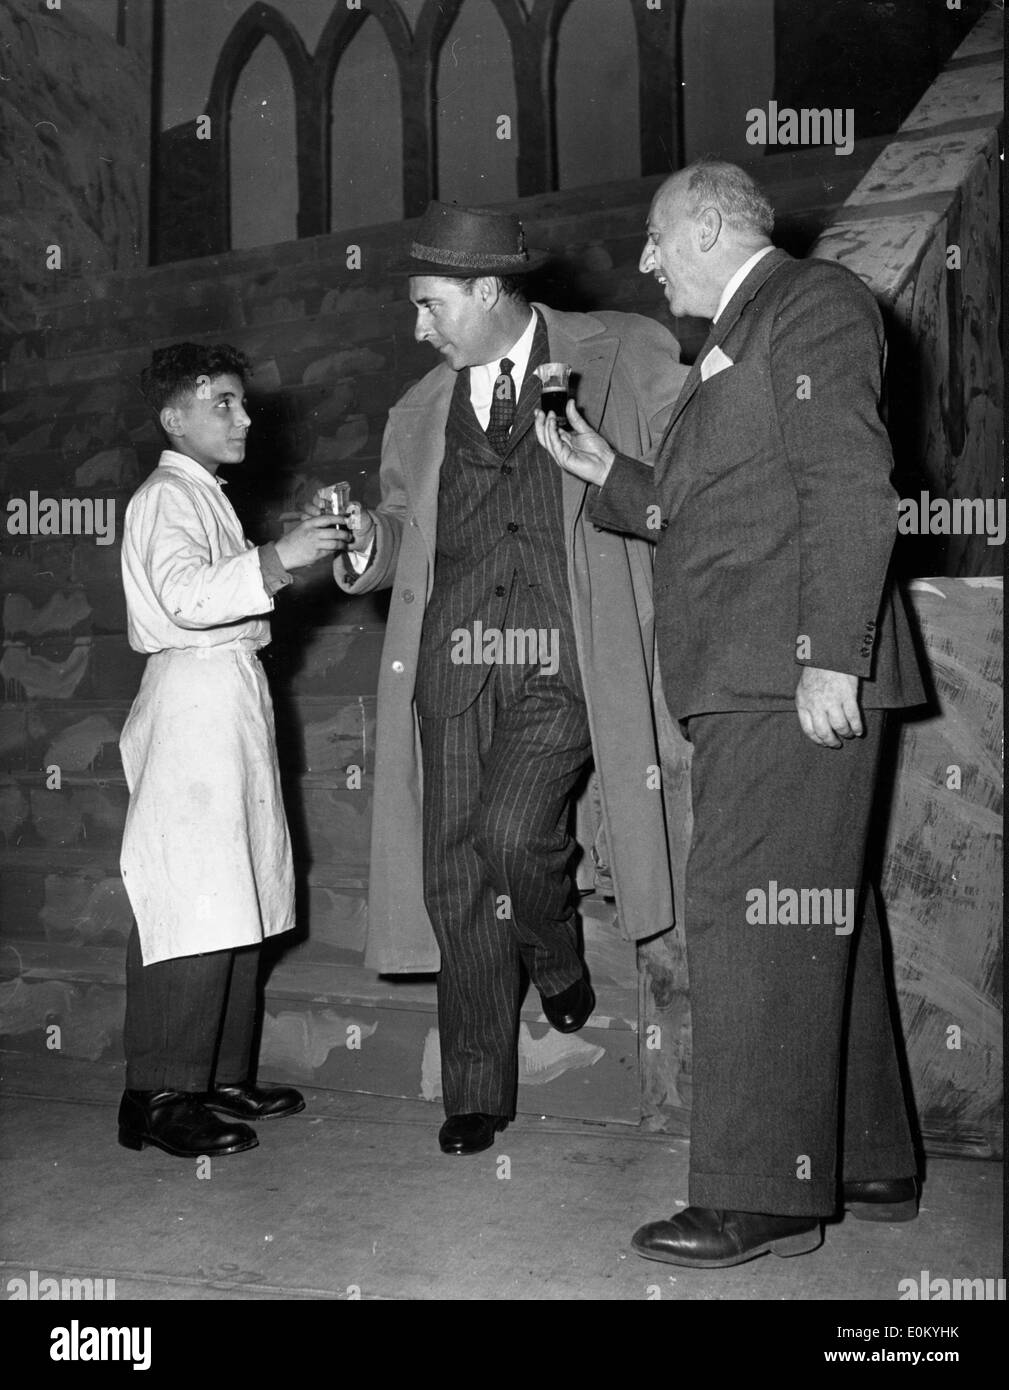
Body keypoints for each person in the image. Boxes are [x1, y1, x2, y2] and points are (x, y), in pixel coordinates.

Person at [536, 159, 925, 1266]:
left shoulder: (810, 304)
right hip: (760, 666)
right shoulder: (743, 337)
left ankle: (761, 1191)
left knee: (747, 906)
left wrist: (829, 658)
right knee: (811, 905)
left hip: (786, 670)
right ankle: (864, 1155)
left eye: (659, 239)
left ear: (708, 225)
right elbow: (711, 505)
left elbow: (851, 480)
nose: (648, 263)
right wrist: (608, 470)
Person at [315, 202, 687, 1155]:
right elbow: (408, 534)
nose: (416, 327)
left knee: (512, 831)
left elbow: (688, 478)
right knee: (455, 869)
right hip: (452, 661)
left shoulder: (625, 352)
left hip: (568, 650)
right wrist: (368, 542)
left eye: (430, 305)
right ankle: (475, 1087)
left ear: (489, 292)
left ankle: (556, 953)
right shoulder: (418, 410)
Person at [117, 342, 343, 1158]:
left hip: (229, 698)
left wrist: (287, 553)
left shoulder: (203, 494)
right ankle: (160, 1093)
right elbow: (183, 596)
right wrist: (281, 558)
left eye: (242, 402)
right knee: (192, 897)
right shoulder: (164, 499)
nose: (242, 416)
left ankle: (215, 1074)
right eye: (221, 402)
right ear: (174, 418)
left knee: (240, 885)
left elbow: (231, 587)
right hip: (191, 704)